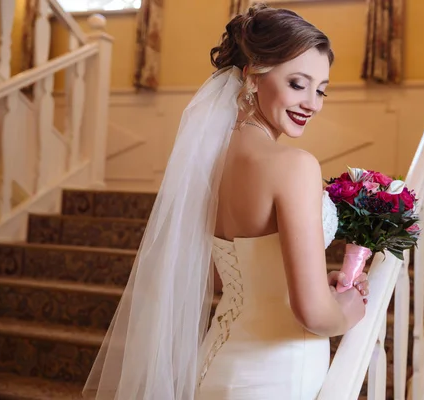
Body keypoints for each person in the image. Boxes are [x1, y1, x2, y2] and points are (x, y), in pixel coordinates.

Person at [83, 4, 369, 400]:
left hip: (215, 365)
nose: (313, 103)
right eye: (298, 84)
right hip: (277, 375)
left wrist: (318, 287)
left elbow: (229, 276)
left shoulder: (209, 163)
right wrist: (351, 308)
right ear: (253, 78)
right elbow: (314, 316)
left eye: (321, 89)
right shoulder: (294, 166)